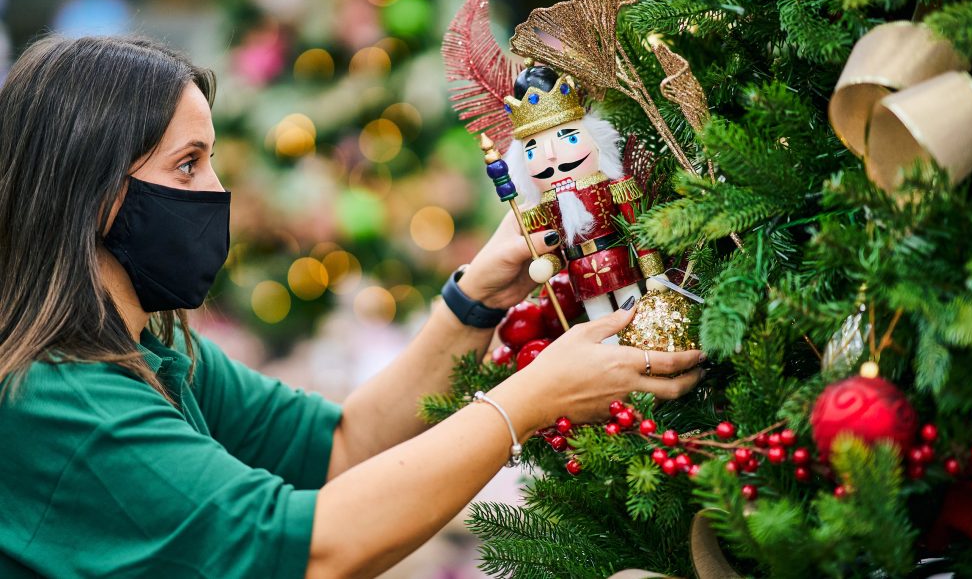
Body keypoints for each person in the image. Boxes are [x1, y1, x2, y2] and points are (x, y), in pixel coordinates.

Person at [0, 35, 705, 578]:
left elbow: (342, 446)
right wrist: (529, 400)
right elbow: (312, 549)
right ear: (92, 194)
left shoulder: (157, 352)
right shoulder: (61, 400)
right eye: (187, 164)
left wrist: (476, 299)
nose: (217, 192)